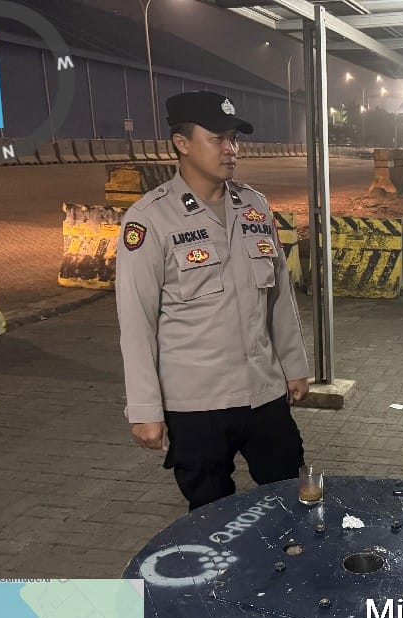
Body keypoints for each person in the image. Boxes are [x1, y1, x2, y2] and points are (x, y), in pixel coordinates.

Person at [115, 91, 310, 511]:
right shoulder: (150, 219)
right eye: (217, 138)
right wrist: (145, 409)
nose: (230, 149)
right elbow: (136, 322)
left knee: (291, 500)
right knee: (210, 518)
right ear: (182, 143)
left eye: (234, 139)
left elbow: (279, 296)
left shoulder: (254, 206)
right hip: (196, 404)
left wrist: (294, 366)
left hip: (262, 393)